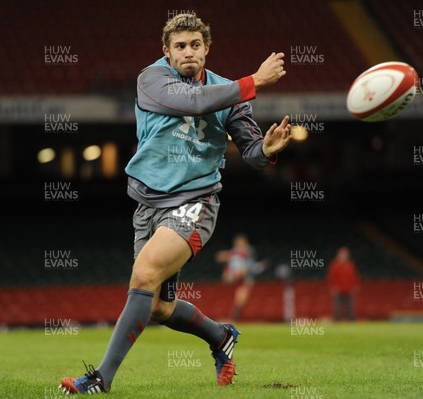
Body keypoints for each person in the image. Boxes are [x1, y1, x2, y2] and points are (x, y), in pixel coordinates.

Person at [60, 12, 292, 394]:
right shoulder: (151, 80)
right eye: (180, 46)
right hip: (148, 203)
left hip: (195, 201)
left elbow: (250, 149)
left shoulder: (228, 94)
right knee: (156, 308)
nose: (188, 52)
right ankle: (220, 337)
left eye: (195, 45)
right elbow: (191, 101)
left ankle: (100, 379)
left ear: (207, 49)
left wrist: (266, 148)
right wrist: (253, 81)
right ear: (166, 51)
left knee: (144, 275)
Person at [216, 233, 266, 322]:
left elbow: (249, 264)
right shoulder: (233, 252)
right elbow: (219, 257)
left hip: (245, 278)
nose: (239, 244)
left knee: (241, 297)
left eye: (241, 242)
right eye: (238, 242)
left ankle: (234, 318)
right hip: (234, 277)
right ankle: (231, 318)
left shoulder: (249, 250)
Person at [326, 246, 360, 321]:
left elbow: (354, 277)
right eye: (342, 254)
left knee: (350, 307)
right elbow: (331, 277)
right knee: (337, 308)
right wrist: (332, 287)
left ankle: (351, 320)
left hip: (348, 290)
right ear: (338, 255)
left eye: (345, 255)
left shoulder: (350, 265)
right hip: (338, 290)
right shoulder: (334, 265)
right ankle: (336, 320)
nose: (343, 256)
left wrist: (355, 286)